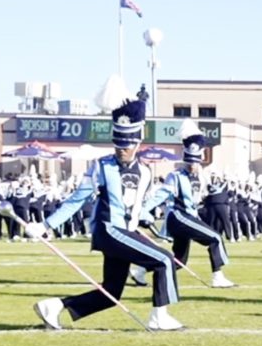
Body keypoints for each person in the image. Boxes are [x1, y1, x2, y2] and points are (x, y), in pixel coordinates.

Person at [26, 99, 184, 331]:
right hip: (109, 230)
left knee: (111, 293)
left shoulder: (146, 172)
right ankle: (159, 316)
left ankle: (55, 306)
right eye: (118, 143)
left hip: (125, 232)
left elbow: (138, 204)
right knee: (164, 260)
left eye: (127, 144)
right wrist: (46, 225)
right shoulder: (101, 167)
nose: (121, 148)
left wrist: (145, 216)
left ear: (138, 142)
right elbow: (77, 200)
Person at [139, 120, 235, 288]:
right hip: (178, 216)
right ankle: (217, 276)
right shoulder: (175, 176)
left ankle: (140, 270)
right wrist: (140, 211)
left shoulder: (202, 177)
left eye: (195, 162)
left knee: (178, 261)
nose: (193, 166)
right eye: (190, 162)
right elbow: (159, 196)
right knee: (215, 237)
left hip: (189, 217)